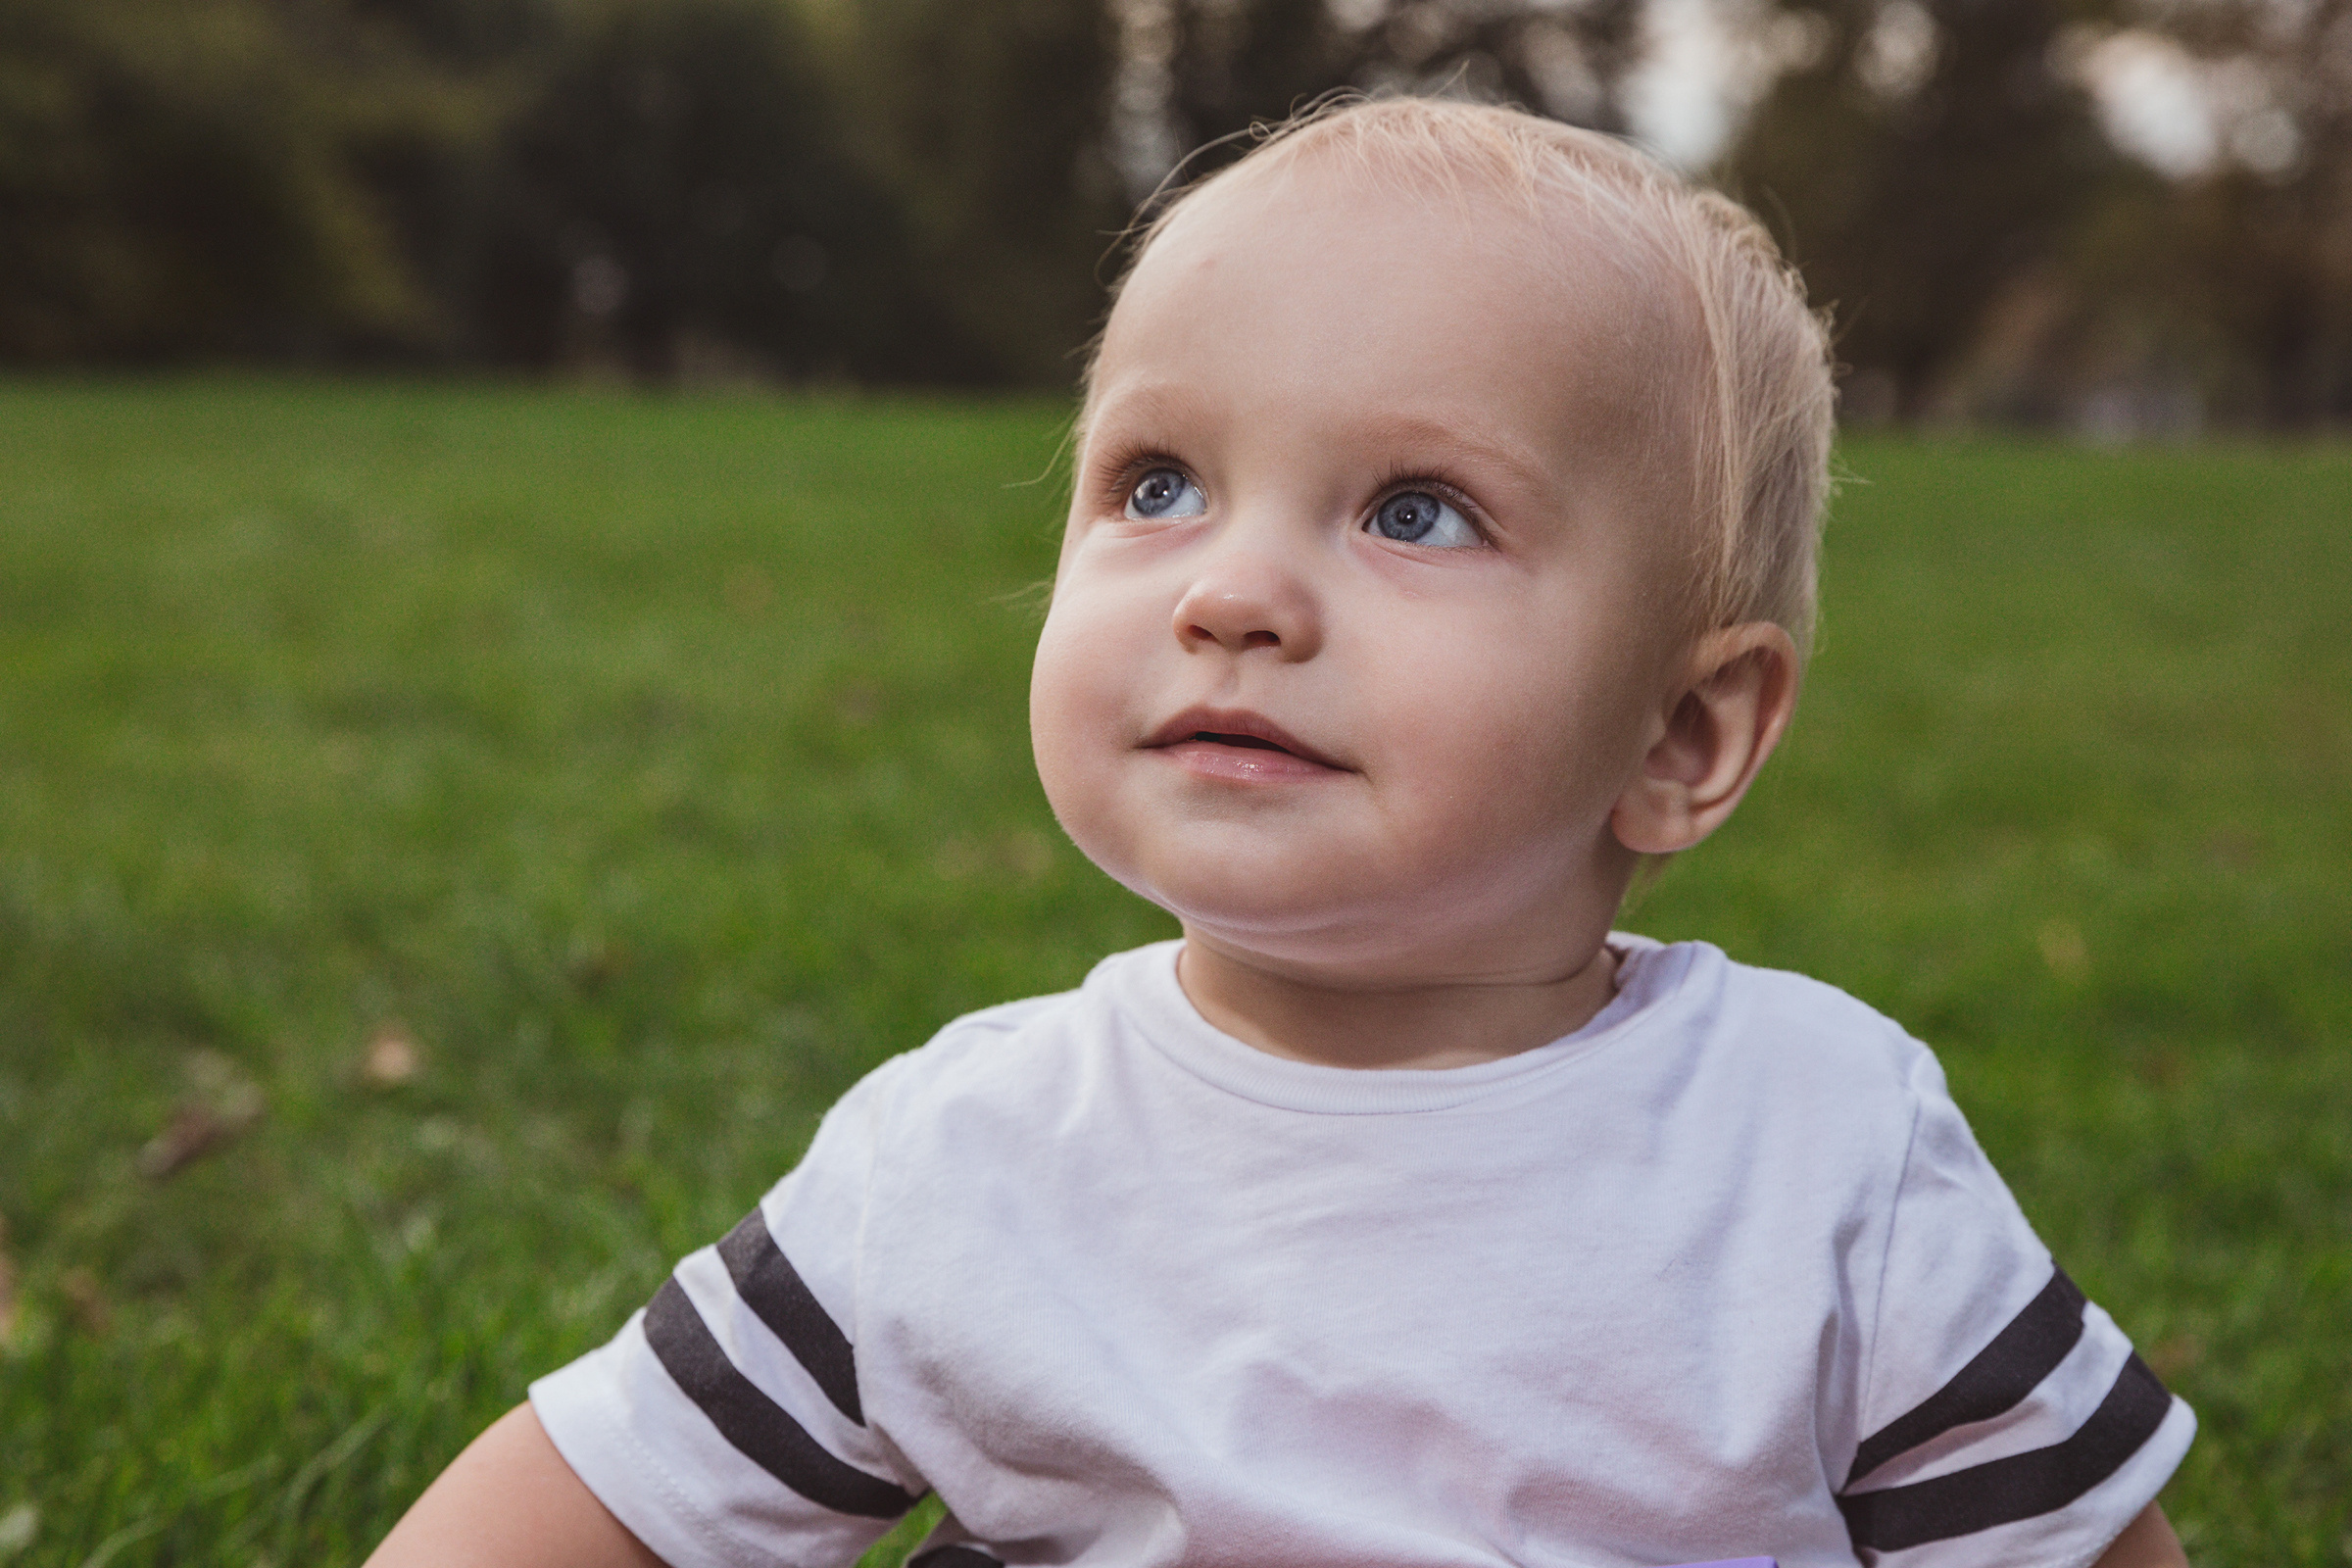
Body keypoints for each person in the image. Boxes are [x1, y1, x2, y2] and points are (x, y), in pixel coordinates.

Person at [365, 97, 2195, 1568]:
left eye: (1416, 511)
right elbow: (591, 1498)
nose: (1235, 591)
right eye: (1157, 484)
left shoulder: (1824, 1160)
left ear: (1682, 730)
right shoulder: (967, 1160)